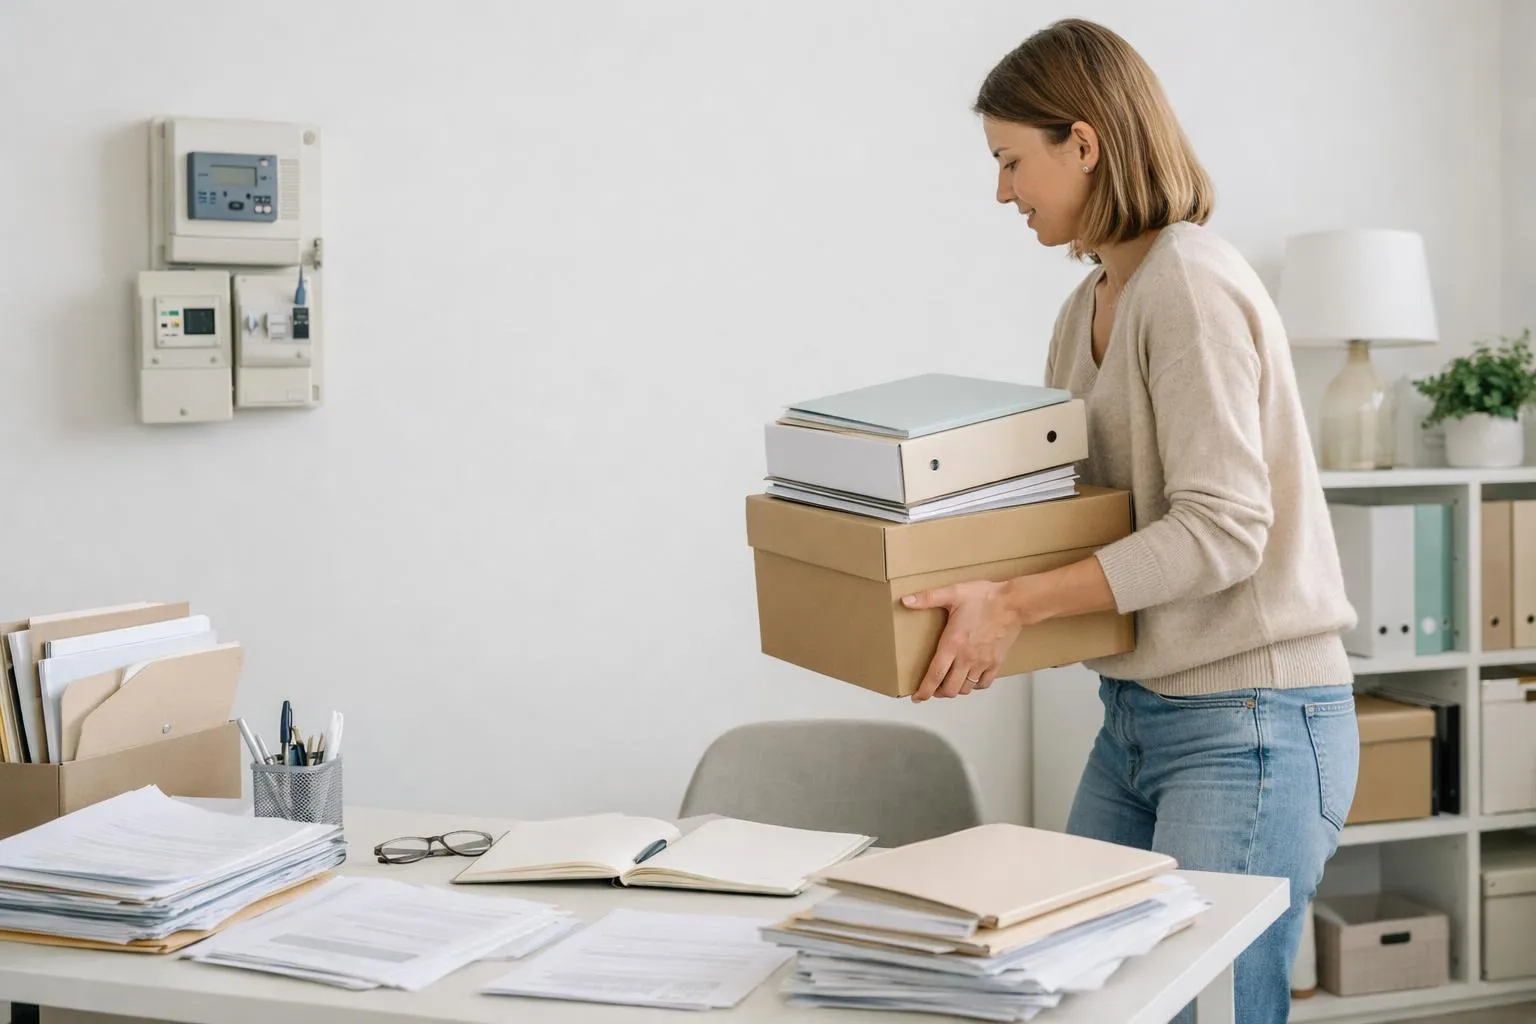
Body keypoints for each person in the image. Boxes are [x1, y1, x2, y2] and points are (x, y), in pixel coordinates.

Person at [899, 18, 1361, 1023]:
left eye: (1012, 161)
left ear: (1086, 142)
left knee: (1210, 1012)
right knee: (1074, 991)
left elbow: (1224, 530)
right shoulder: (1090, 303)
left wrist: (1012, 602)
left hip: (1252, 723)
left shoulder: (1187, 282)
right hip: (1139, 718)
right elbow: (1079, 514)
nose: (1003, 192)